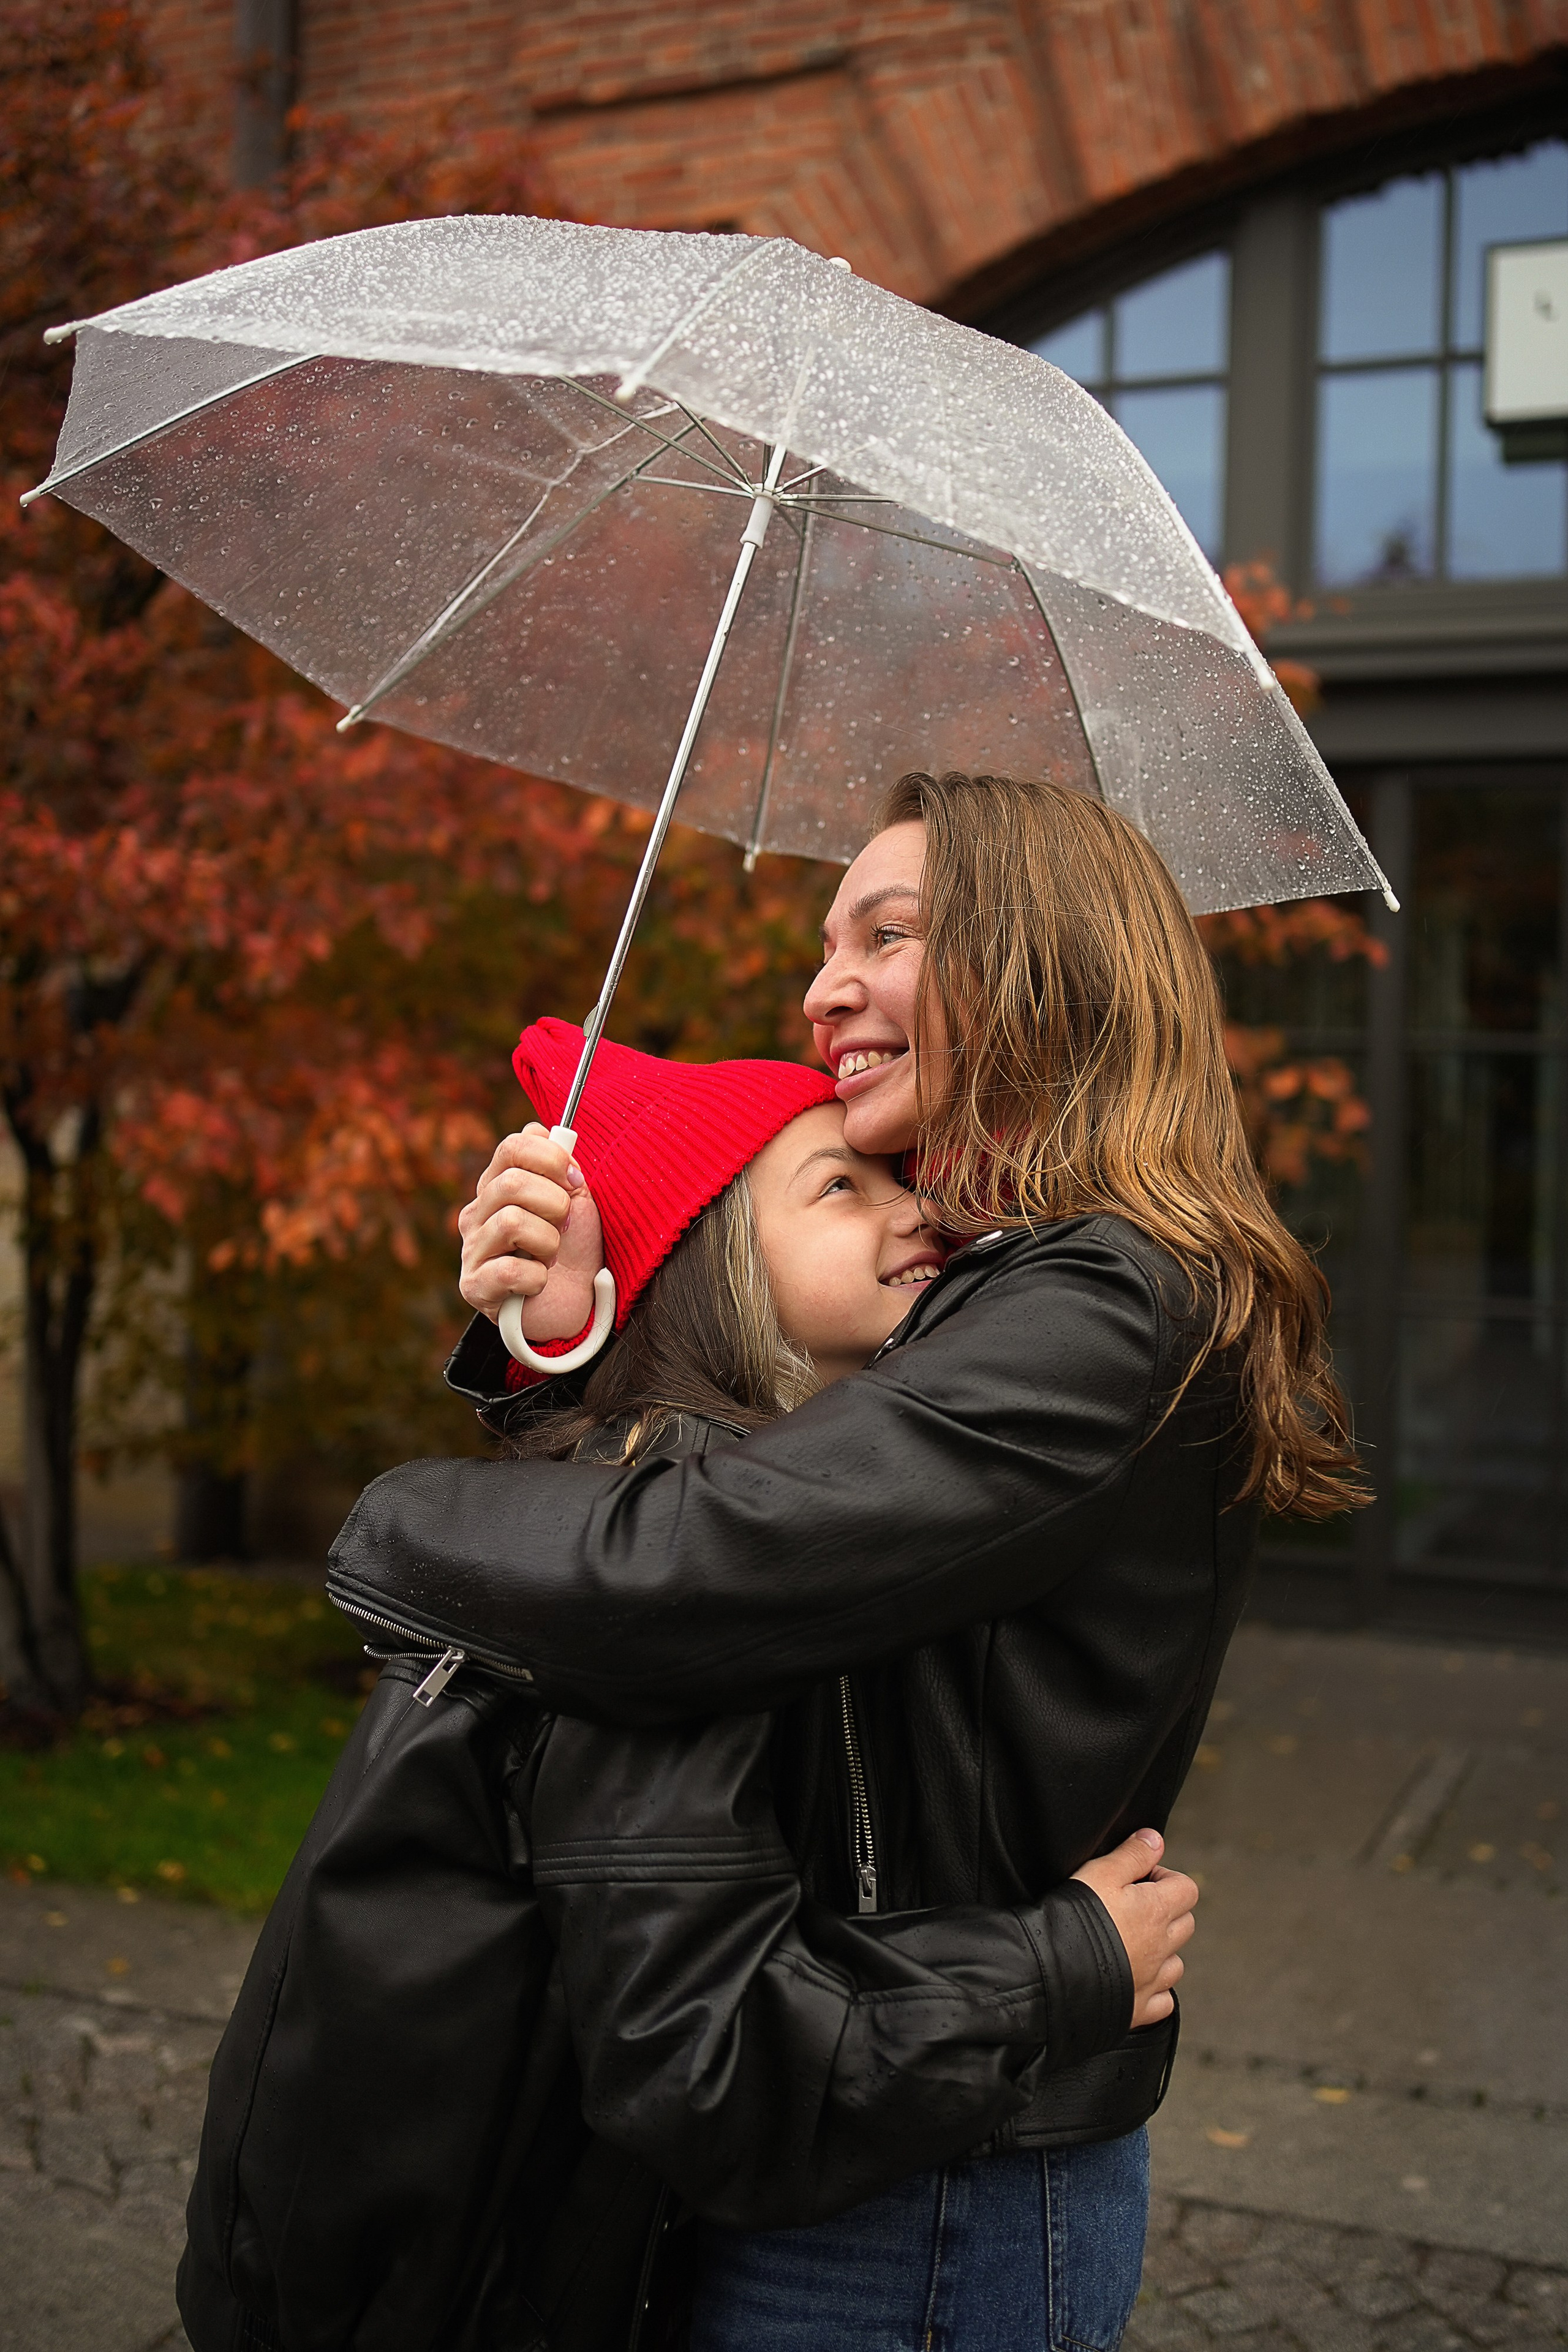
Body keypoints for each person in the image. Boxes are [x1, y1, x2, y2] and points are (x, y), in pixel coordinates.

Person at [333, 771, 1365, 2350]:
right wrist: (568, 1342)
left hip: (933, 2181)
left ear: (1044, 958)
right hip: (853, 2103)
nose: (824, 988)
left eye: (886, 934)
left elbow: (685, 1567)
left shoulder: (1100, 1305)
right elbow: (761, 1502)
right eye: (829, 942)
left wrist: (381, 1531)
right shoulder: (996, 1281)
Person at [186, 1019, 1196, 2352]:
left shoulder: (754, 1523)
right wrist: (1055, 1965)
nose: (919, 1209)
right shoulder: (663, 1598)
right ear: (711, 1267)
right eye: (843, 1185)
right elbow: (702, 2057)